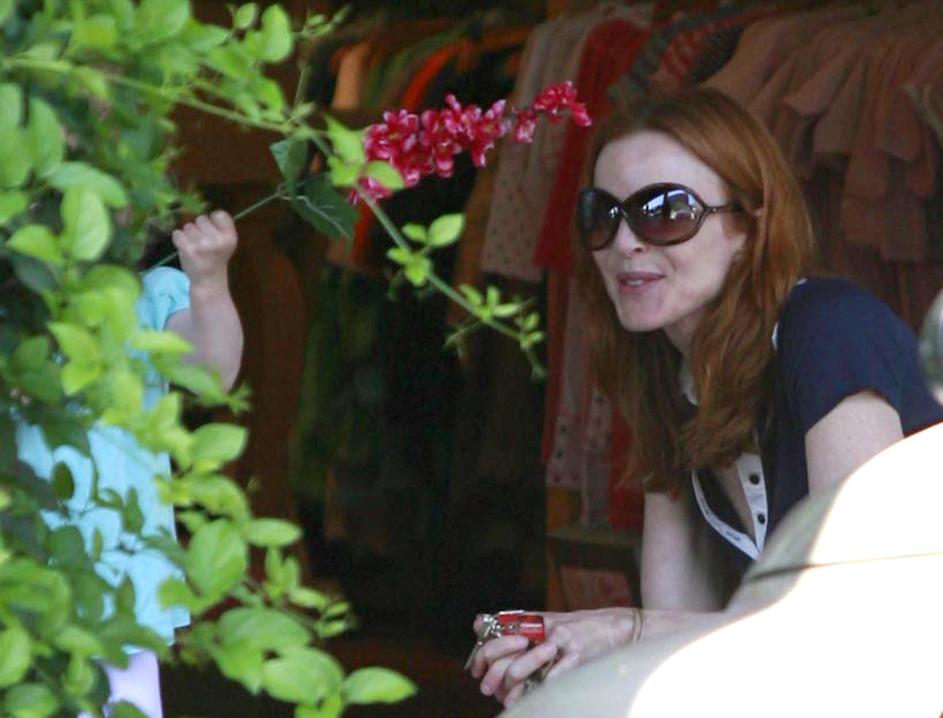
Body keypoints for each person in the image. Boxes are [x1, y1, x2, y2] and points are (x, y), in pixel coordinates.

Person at [469, 87, 943, 707]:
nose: (625, 242)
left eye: (665, 212)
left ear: (748, 227)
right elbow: (680, 638)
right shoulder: (669, 378)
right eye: (602, 215)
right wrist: (561, 658)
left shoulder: (828, 329)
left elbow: (856, 616)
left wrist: (618, 631)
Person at [16, 210, 243, 718]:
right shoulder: (15, 303)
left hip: (116, 583)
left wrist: (209, 282)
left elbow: (214, 373)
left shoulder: (150, 293)